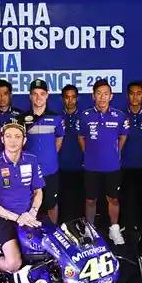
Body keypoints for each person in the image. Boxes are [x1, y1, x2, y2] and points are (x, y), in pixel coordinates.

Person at [0, 120, 45, 283]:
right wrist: (17, 218)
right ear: (2, 139)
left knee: (50, 250)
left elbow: (38, 191)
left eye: (17, 136)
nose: (13, 140)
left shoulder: (31, 160)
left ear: (24, 140)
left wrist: (32, 212)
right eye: (8, 136)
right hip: (3, 218)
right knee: (13, 264)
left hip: (29, 215)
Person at [77, 78, 129, 245]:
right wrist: (90, 154)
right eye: (98, 94)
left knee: (113, 199)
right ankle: (89, 230)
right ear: (93, 96)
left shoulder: (119, 116)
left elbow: (122, 137)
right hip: (91, 166)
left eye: (105, 94)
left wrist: (114, 153)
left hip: (112, 167)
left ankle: (114, 229)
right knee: (90, 200)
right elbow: (81, 138)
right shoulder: (85, 116)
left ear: (111, 96)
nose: (102, 97)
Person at [22, 79, 64, 223]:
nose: (38, 97)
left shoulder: (56, 118)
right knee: (29, 206)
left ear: (47, 95)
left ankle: (53, 232)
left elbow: (59, 139)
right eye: (35, 94)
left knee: (51, 204)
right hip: (29, 171)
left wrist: (49, 156)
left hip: (50, 170)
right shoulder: (22, 119)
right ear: (30, 96)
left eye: (42, 93)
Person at [120, 80, 142, 232]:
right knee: (125, 198)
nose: (135, 97)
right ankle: (126, 227)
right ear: (127, 95)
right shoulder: (120, 115)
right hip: (123, 164)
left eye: (138, 94)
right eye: (132, 94)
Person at [57, 84, 84, 223]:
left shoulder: (84, 116)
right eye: (67, 97)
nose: (70, 101)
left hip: (81, 166)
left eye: (73, 97)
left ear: (77, 98)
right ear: (62, 99)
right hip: (61, 166)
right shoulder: (56, 117)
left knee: (79, 202)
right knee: (62, 202)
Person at [0, 79, 22, 155]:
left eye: (5, 94)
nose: (2, 97)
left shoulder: (20, 115)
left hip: (13, 158)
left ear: (10, 95)